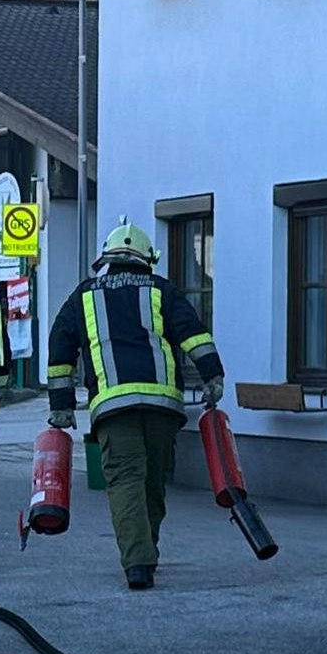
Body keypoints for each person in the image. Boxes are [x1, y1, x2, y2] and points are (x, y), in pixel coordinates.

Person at [43, 221, 222, 590]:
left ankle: (138, 562)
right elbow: (194, 334)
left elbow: (60, 350)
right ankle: (146, 551)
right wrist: (213, 376)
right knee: (153, 481)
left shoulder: (84, 295)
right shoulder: (162, 290)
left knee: (126, 481)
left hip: (114, 405)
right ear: (146, 260)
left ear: (107, 259)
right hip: (162, 405)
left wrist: (61, 406)